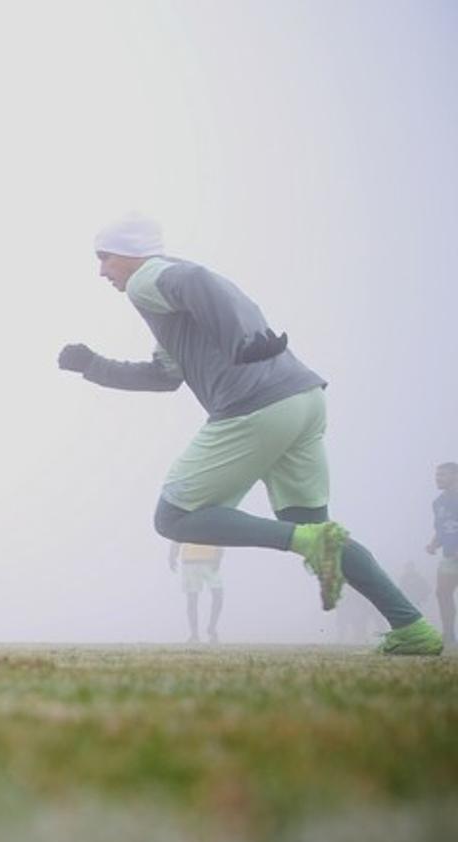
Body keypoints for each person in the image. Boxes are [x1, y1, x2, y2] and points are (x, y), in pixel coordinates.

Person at [57, 216, 441, 655]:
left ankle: (305, 543)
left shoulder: (150, 278)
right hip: (304, 400)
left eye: (104, 258)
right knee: (316, 528)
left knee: (174, 518)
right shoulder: (171, 314)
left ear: (132, 254)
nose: (101, 271)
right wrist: (92, 365)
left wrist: (243, 337)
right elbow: (165, 377)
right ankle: (412, 627)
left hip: (255, 406)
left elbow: (199, 279)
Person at [167, 542, 224, 643]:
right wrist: (172, 555)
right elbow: (178, 534)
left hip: (209, 560)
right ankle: (194, 634)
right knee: (192, 599)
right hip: (190, 561)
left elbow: (219, 532)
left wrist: (219, 555)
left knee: (217, 596)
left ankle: (211, 628)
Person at [428, 461, 458, 646]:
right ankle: (448, 635)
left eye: (443, 475)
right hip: (449, 556)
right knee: (442, 593)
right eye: (437, 475)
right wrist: (433, 544)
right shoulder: (438, 502)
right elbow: (442, 529)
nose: (438, 479)